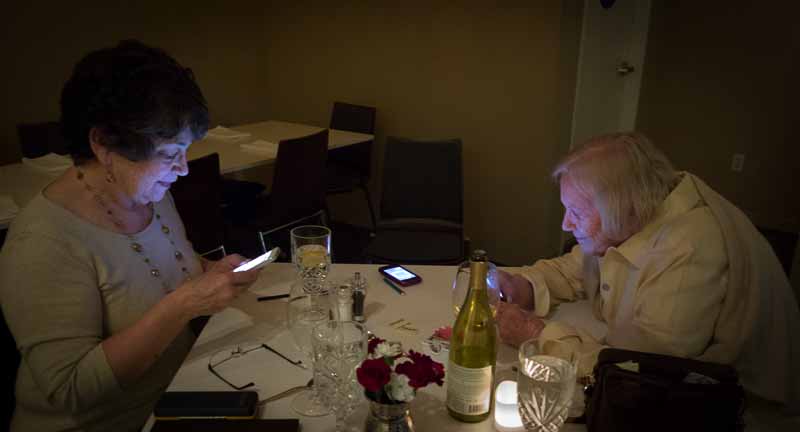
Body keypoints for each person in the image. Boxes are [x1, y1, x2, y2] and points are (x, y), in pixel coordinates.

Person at [0, 40, 261, 431]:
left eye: (186, 150)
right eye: (170, 152)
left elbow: (161, 269)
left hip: (175, 394)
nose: (184, 169)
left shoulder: (151, 195)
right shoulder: (42, 241)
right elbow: (71, 388)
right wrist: (186, 304)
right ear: (104, 145)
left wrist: (211, 272)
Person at [495, 132, 800, 415]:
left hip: (733, 412)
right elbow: (575, 267)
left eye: (576, 212)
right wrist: (527, 285)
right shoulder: (634, 214)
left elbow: (637, 371)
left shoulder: (690, 248)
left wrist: (537, 335)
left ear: (621, 210)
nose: (565, 225)